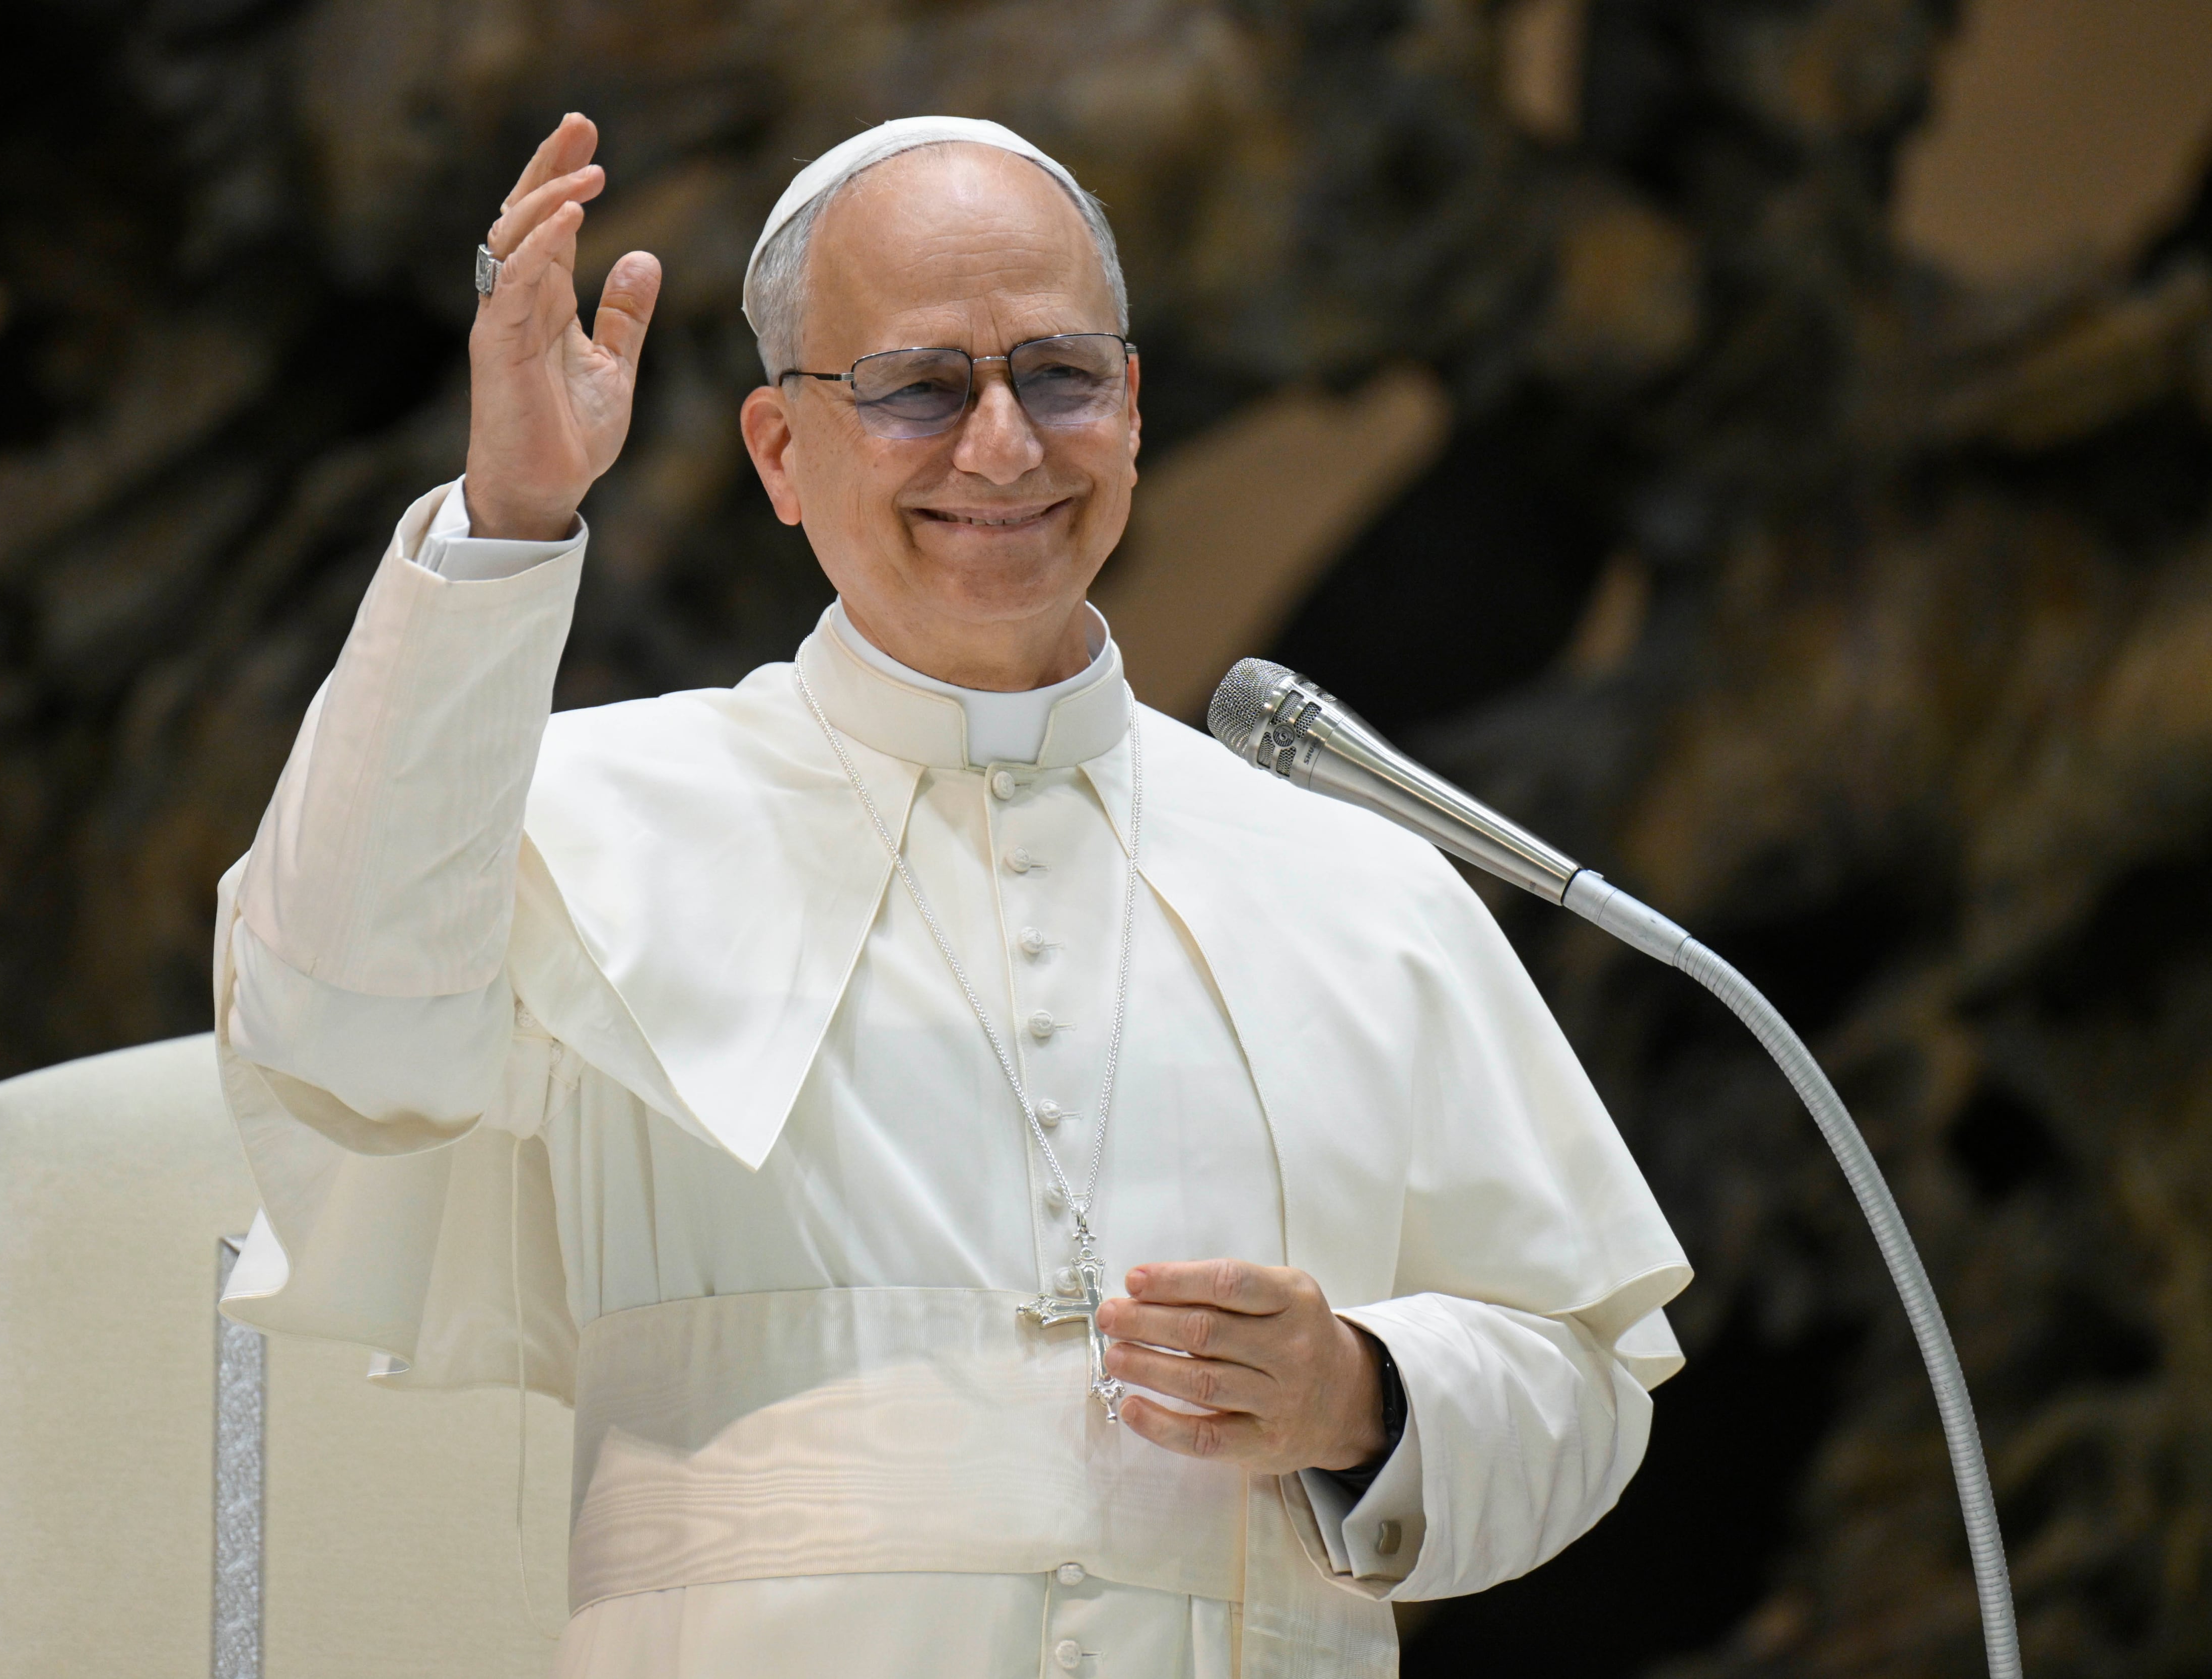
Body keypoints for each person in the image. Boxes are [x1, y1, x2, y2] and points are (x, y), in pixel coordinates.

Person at [215, 111, 1690, 1678]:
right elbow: (340, 1034)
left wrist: (1360, 1394)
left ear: (1129, 410)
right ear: (782, 454)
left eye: (1057, 376)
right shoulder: (574, 821)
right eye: (920, 388)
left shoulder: (1355, 881)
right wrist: (508, 519)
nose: (1003, 448)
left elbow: (1585, 1376)